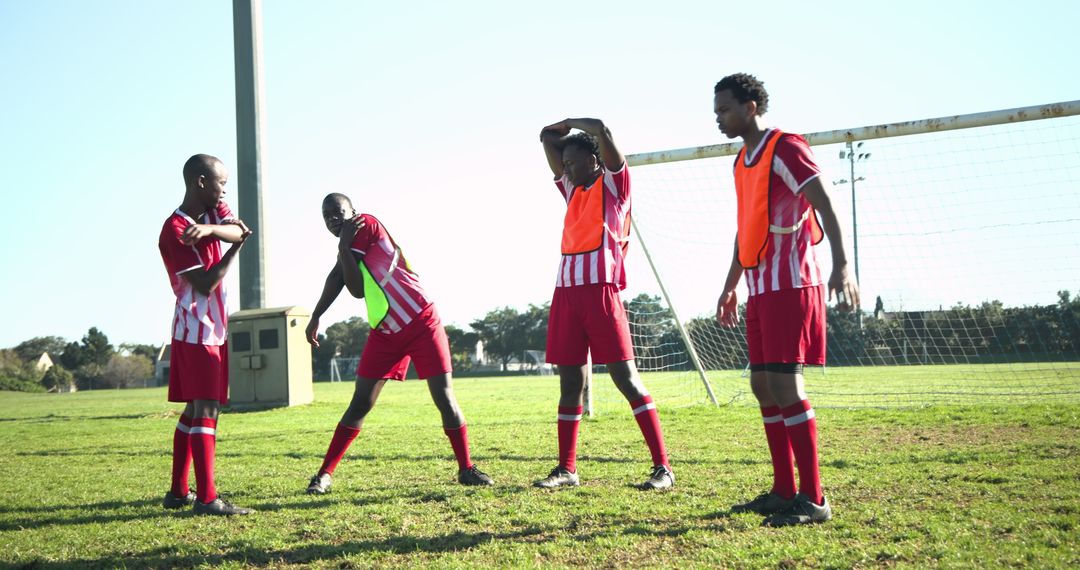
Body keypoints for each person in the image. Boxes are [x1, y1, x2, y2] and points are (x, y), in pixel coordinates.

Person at [712, 73, 860, 526]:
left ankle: (814, 499)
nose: (718, 118)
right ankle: (783, 489)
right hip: (759, 288)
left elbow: (826, 203)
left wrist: (843, 265)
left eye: (725, 109)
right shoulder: (742, 161)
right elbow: (747, 227)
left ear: (751, 107)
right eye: (716, 111)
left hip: (792, 285)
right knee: (762, 385)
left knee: (786, 386)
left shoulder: (785, 147)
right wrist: (731, 283)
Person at [303, 193, 493, 494]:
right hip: (387, 329)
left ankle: (466, 468)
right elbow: (339, 274)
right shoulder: (348, 246)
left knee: (443, 397)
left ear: (353, 210)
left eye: (337, 211)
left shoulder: (365, 224)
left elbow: (355, 290)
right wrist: (316, 315)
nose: (332, 219)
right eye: (326, 215)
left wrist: (342, 247)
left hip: (421, 319)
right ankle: (324, 474)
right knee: (361, 402)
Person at [534, 118, 673, 490]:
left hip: (601, 292)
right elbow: (547, 139)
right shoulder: (571, 189)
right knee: (569, 384)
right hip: (566, 294)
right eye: (564, 165)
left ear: (593, 161)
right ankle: (566, 469)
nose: (566, 169)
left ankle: (663, 467)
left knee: (625, 379)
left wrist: (573, 124)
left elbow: (601, 130)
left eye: (573, 162)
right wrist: (556, 135)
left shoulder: (615, 186)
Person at [158, 154, 253, 516]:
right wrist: (235, 250)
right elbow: (206, 283)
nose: (224, 190)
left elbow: (239, 228)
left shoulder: (212, 212)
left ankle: (178, 492)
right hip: (196, 331)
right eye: (221, 183)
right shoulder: (174, 229)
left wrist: (215, 231)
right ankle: (207, 498)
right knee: (207, 409)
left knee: (194, 409)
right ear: (201, 182)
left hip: (214, 330)